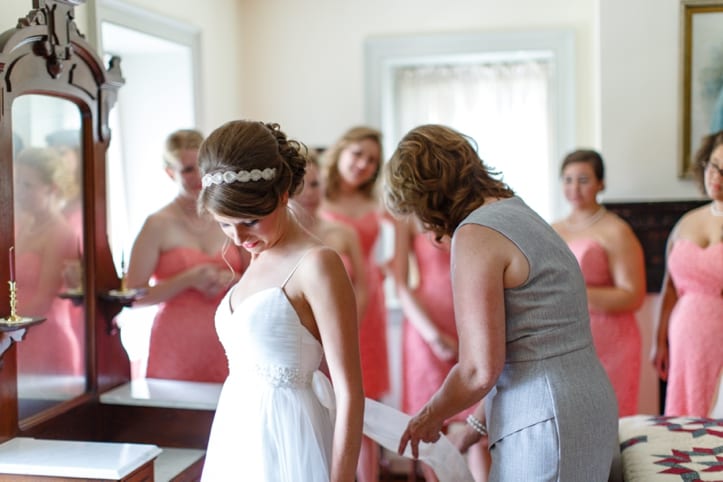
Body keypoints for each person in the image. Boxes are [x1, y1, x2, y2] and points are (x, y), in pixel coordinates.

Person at [386, 124, 618, 481]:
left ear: (426, 197)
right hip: (583, 401)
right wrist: (474, 426)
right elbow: (524, 343)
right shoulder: (516, 210)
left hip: (547, 417)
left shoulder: (476, 234)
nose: (419, 227)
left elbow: (479, 369)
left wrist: (429, 416)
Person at [195, 120, 365, 481]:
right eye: (225, 224)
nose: (238, 237)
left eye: (251, 221)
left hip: (292, 441)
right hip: (238, 437)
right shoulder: (256, 256)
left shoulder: (317, 264)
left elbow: (349, 392)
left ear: (284, 194)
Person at [125, 129, 248, 383]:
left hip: (230, 339)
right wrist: (188, 278)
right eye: (188, 169)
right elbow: (132, 296)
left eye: (203, 168)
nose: (198, 177)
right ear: (170, 172)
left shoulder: (230, 218)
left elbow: (256, 278)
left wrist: (232, 278)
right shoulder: (157, 224)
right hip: (176, 340)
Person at [392, 217, 490, 482]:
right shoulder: (408, 220)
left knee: (480, 424)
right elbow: (400, 283)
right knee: (431, 427)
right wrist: (433, 336)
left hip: (470, 320)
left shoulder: (470, 210)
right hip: (426, 329)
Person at [319, 126, 391, 482]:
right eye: (358, 154)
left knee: (367, 396)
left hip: (369, 303)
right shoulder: (315, 197)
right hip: (328, 301)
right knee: (330, 393)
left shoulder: (376, 202)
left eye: (372, 160)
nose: (363, 164)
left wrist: (388, 270)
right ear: (341, 150)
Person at [551, 149, 646, 417]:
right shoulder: (553, 229)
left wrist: (576, 292)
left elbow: (633, 295)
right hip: (565, 336)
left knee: (608, 415)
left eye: (583, 179)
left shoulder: (616, 231)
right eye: (567, 180)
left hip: (610, 338)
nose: (574, 188)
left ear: (600, 183)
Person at [652, 130, 723, 417]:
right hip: (684, 333)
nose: (716, 176)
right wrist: (658, 342)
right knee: (684, 410)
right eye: (714, 165)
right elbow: (668, 286)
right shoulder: (687, 221)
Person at [13, 147, 82, 376]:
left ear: (52, 188)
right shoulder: (23, 226)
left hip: (46, 337)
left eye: (28, 185)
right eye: (18, 182)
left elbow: (43, 299)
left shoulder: (61, 233)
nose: (20, 192)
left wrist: (6, 326)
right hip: (18, 333)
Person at [292, 149, 368, 323]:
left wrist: (350, 327)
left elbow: (362, 288)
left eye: (314, 184)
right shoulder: (279, 237)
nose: (309, 193)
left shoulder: (345, 232)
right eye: (300, 186)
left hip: (343, 323)